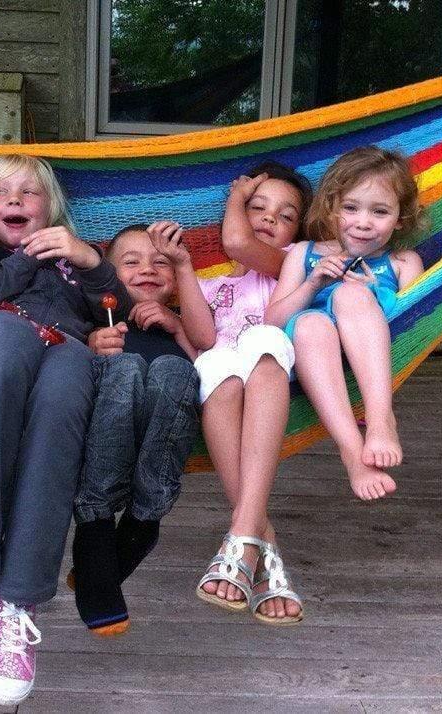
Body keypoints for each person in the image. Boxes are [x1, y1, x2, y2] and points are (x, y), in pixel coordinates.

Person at [0, 155, 131, 706]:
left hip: (68, 350)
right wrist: (24, 257)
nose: (16, 200)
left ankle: (18, 601)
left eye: (30, 192)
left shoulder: (78, 254)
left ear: (53, 208)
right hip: (6, 332)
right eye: (2, 192)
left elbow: (120, 309)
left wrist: (88, 258)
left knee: (55, 448)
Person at [152, 160, 313, 626]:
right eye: (258, 207)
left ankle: (243, 535)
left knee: (264, 338)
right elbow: (203, 339)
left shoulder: (293, 265)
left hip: (272, 371)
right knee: (217, 365)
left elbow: (237, 241)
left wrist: (237, 199)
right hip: (224, 378)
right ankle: (260, 546)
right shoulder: (213, 284)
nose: (268, 219)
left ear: (298, 231)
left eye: (285, 215)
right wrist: (183, 266)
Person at [265, 145, 425, 501]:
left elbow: (418, 322)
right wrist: (312, 283)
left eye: (380, 212)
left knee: (349, 295)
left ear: (399, 218)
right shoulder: (304, 253)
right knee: (309, 324)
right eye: (351, 208)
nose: (363, 222)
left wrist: (377, 296)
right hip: (314, 354)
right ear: (332, 208)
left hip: (369, 352)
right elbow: (272, 321)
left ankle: (381, 419)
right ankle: (352, 450)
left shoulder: (402, 262)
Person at [70, 223, 201, 636]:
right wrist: (91, 343)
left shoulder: (183, 319)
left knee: (173, 370)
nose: (148, 268)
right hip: (110, 425)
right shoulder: (98, 316)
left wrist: (177, 328)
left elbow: (210, 371)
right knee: (123, 365)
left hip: (166, 423)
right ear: (109, 274)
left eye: (161, 262)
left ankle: (142, 521)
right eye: (131, 262)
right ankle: (97, 520)